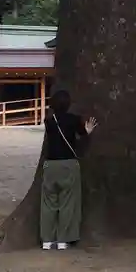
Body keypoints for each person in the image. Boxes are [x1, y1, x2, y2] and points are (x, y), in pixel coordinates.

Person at [41, 90, 97, 250]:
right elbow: (82, 132)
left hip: (50, 165)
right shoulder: (73, 120)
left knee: (48, 203)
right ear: (68, 104)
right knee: (67, 203)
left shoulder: (49, 121)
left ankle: (46, 240)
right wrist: (88, 130)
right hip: (68, 165)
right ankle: (62, 240)